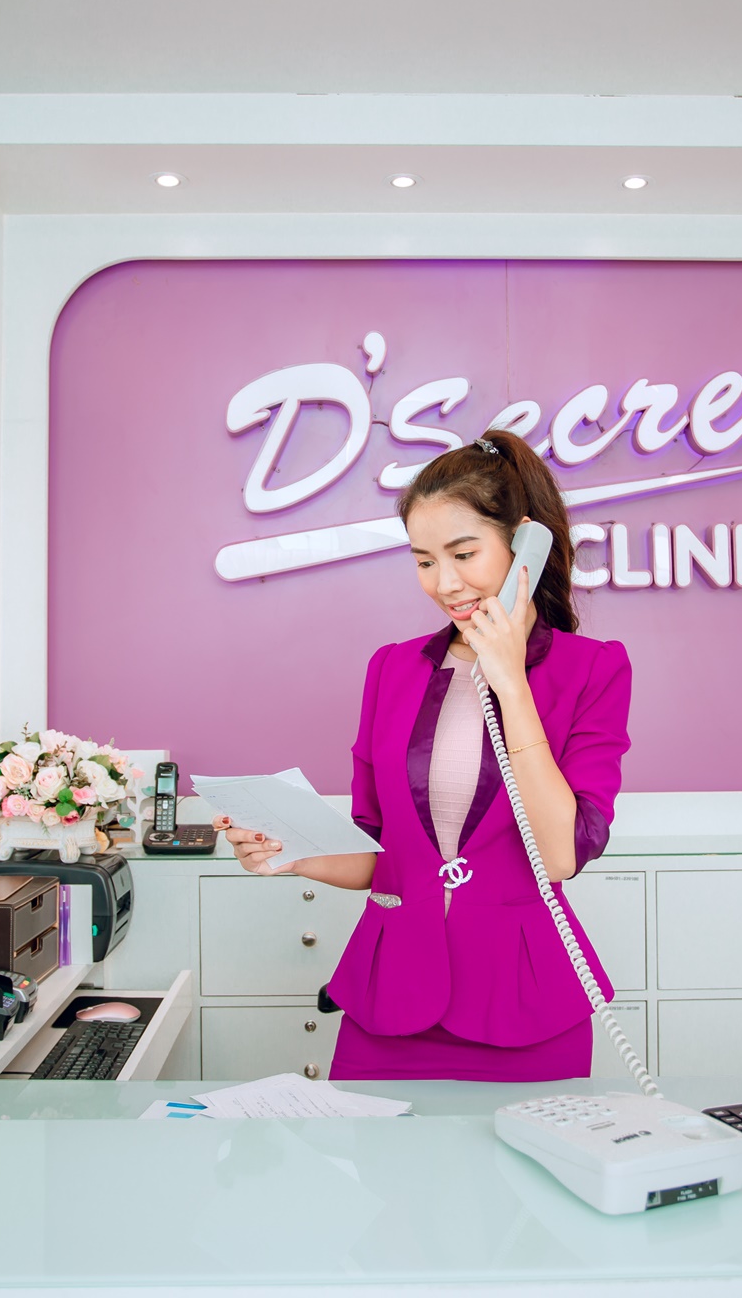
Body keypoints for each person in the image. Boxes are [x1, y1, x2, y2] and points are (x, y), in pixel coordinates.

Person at [215, 432, 631, 1081]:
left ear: (524, 544)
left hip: (524, 1007)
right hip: (389, 999)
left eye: (464, 554)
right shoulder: (392, 669)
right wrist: (290, 853)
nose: (445, 584)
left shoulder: (594, 670)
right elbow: (383, 853)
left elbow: (559, 855)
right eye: (424, 561)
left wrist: (510, 680)